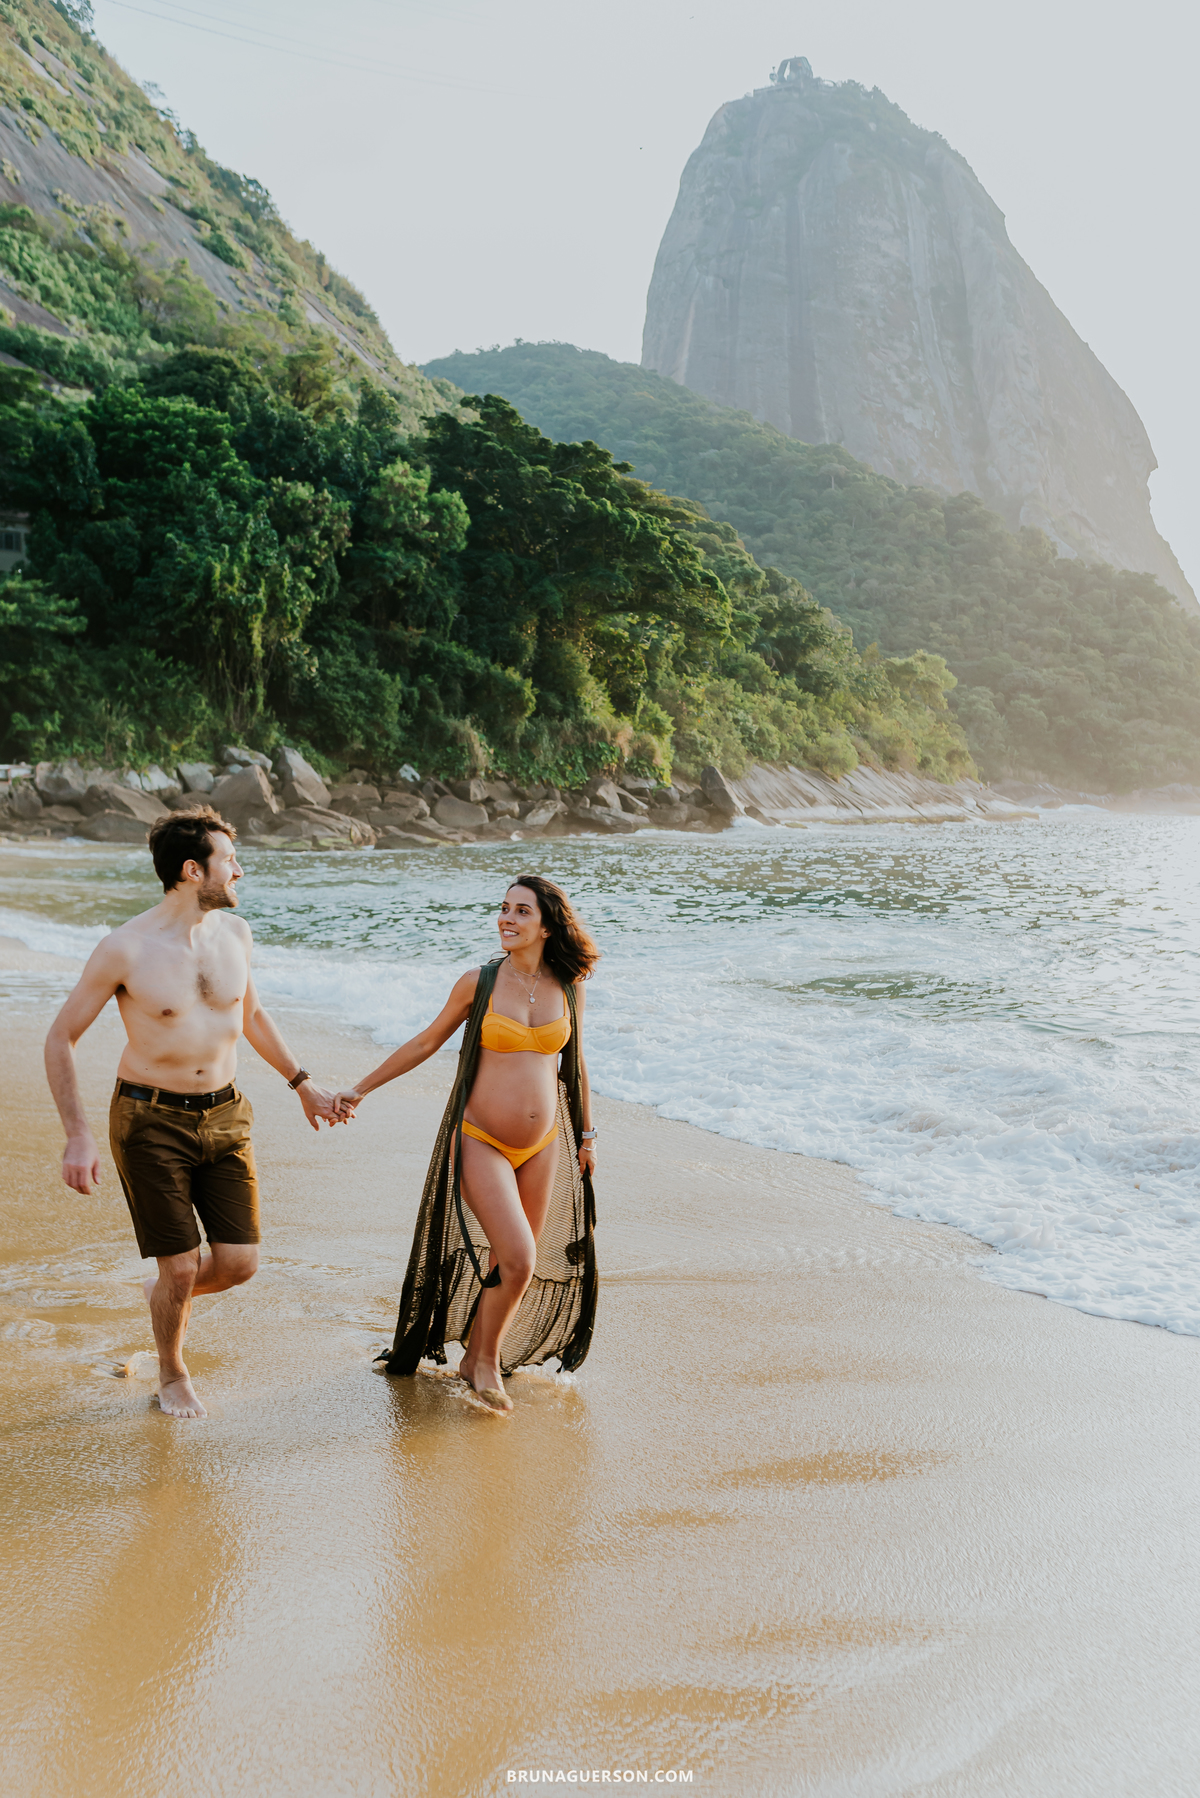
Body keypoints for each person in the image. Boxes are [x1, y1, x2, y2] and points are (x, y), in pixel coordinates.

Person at [44, 806, 339, 1420]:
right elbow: (60, 1038)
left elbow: (251, 1016)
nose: (239, 870)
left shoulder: (236, 935)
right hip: (150, 1120)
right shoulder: (125, 949)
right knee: (178, 1263)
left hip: (227, 1115)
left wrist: (302, 1083)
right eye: (229, 860)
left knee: (237, 1264)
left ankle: (165, 1294)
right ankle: (172, 1373)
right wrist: (77, 1136)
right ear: (190, 870)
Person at [332, 876, 600, 1412]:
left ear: (547, 925)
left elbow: (576, 1065)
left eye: (521, 911)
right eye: (503, 909)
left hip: (545, 1143)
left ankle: (478, 1355)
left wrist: (586, 1136)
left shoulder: (568, 985)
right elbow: (428, 1041)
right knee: (522, 1258)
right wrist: (359, 1088)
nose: (506, 918)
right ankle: (482, 1362)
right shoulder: (478, 982)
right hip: (481, 1139)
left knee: (511, 1260)